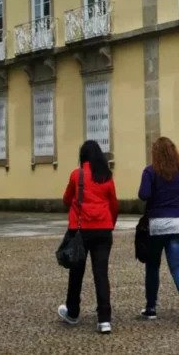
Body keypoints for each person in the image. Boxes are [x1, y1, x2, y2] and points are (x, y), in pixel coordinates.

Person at [58, 140, 119, 334]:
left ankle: (73, 312)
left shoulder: (77, 175)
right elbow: (114, 205)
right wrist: (110, 224)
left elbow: (66, 199)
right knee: (101, 274)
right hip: (103, 230)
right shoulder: (106, 177)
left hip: (81, 230)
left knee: (76, 272)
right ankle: (104, 319)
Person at [138, 137, 179, 328]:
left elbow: (143, 194)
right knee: (178, 268)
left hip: (157, 226)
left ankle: (151, 308)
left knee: (153, 267)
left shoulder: (150, 171)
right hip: (178, 225)